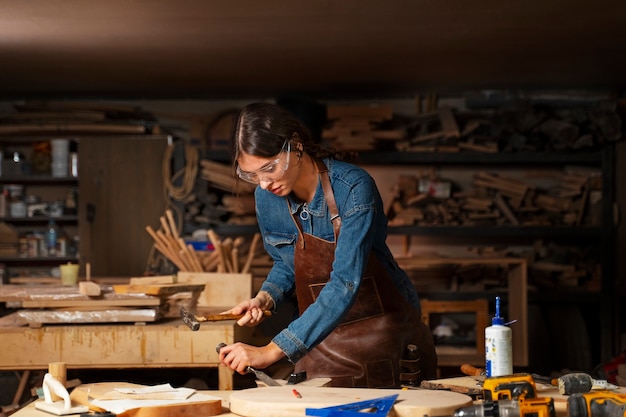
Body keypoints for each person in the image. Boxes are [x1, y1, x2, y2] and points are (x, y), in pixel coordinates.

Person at [218, 102, 437, 388]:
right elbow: (286, 262)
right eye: (251, 175)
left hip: (385, 333)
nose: (263, 183)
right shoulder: (267, 199)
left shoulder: (353, 188)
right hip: (316, 338)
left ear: (295, 145)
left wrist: (271, 351)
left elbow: (345, 282)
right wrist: (265, 298)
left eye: (268, 168)